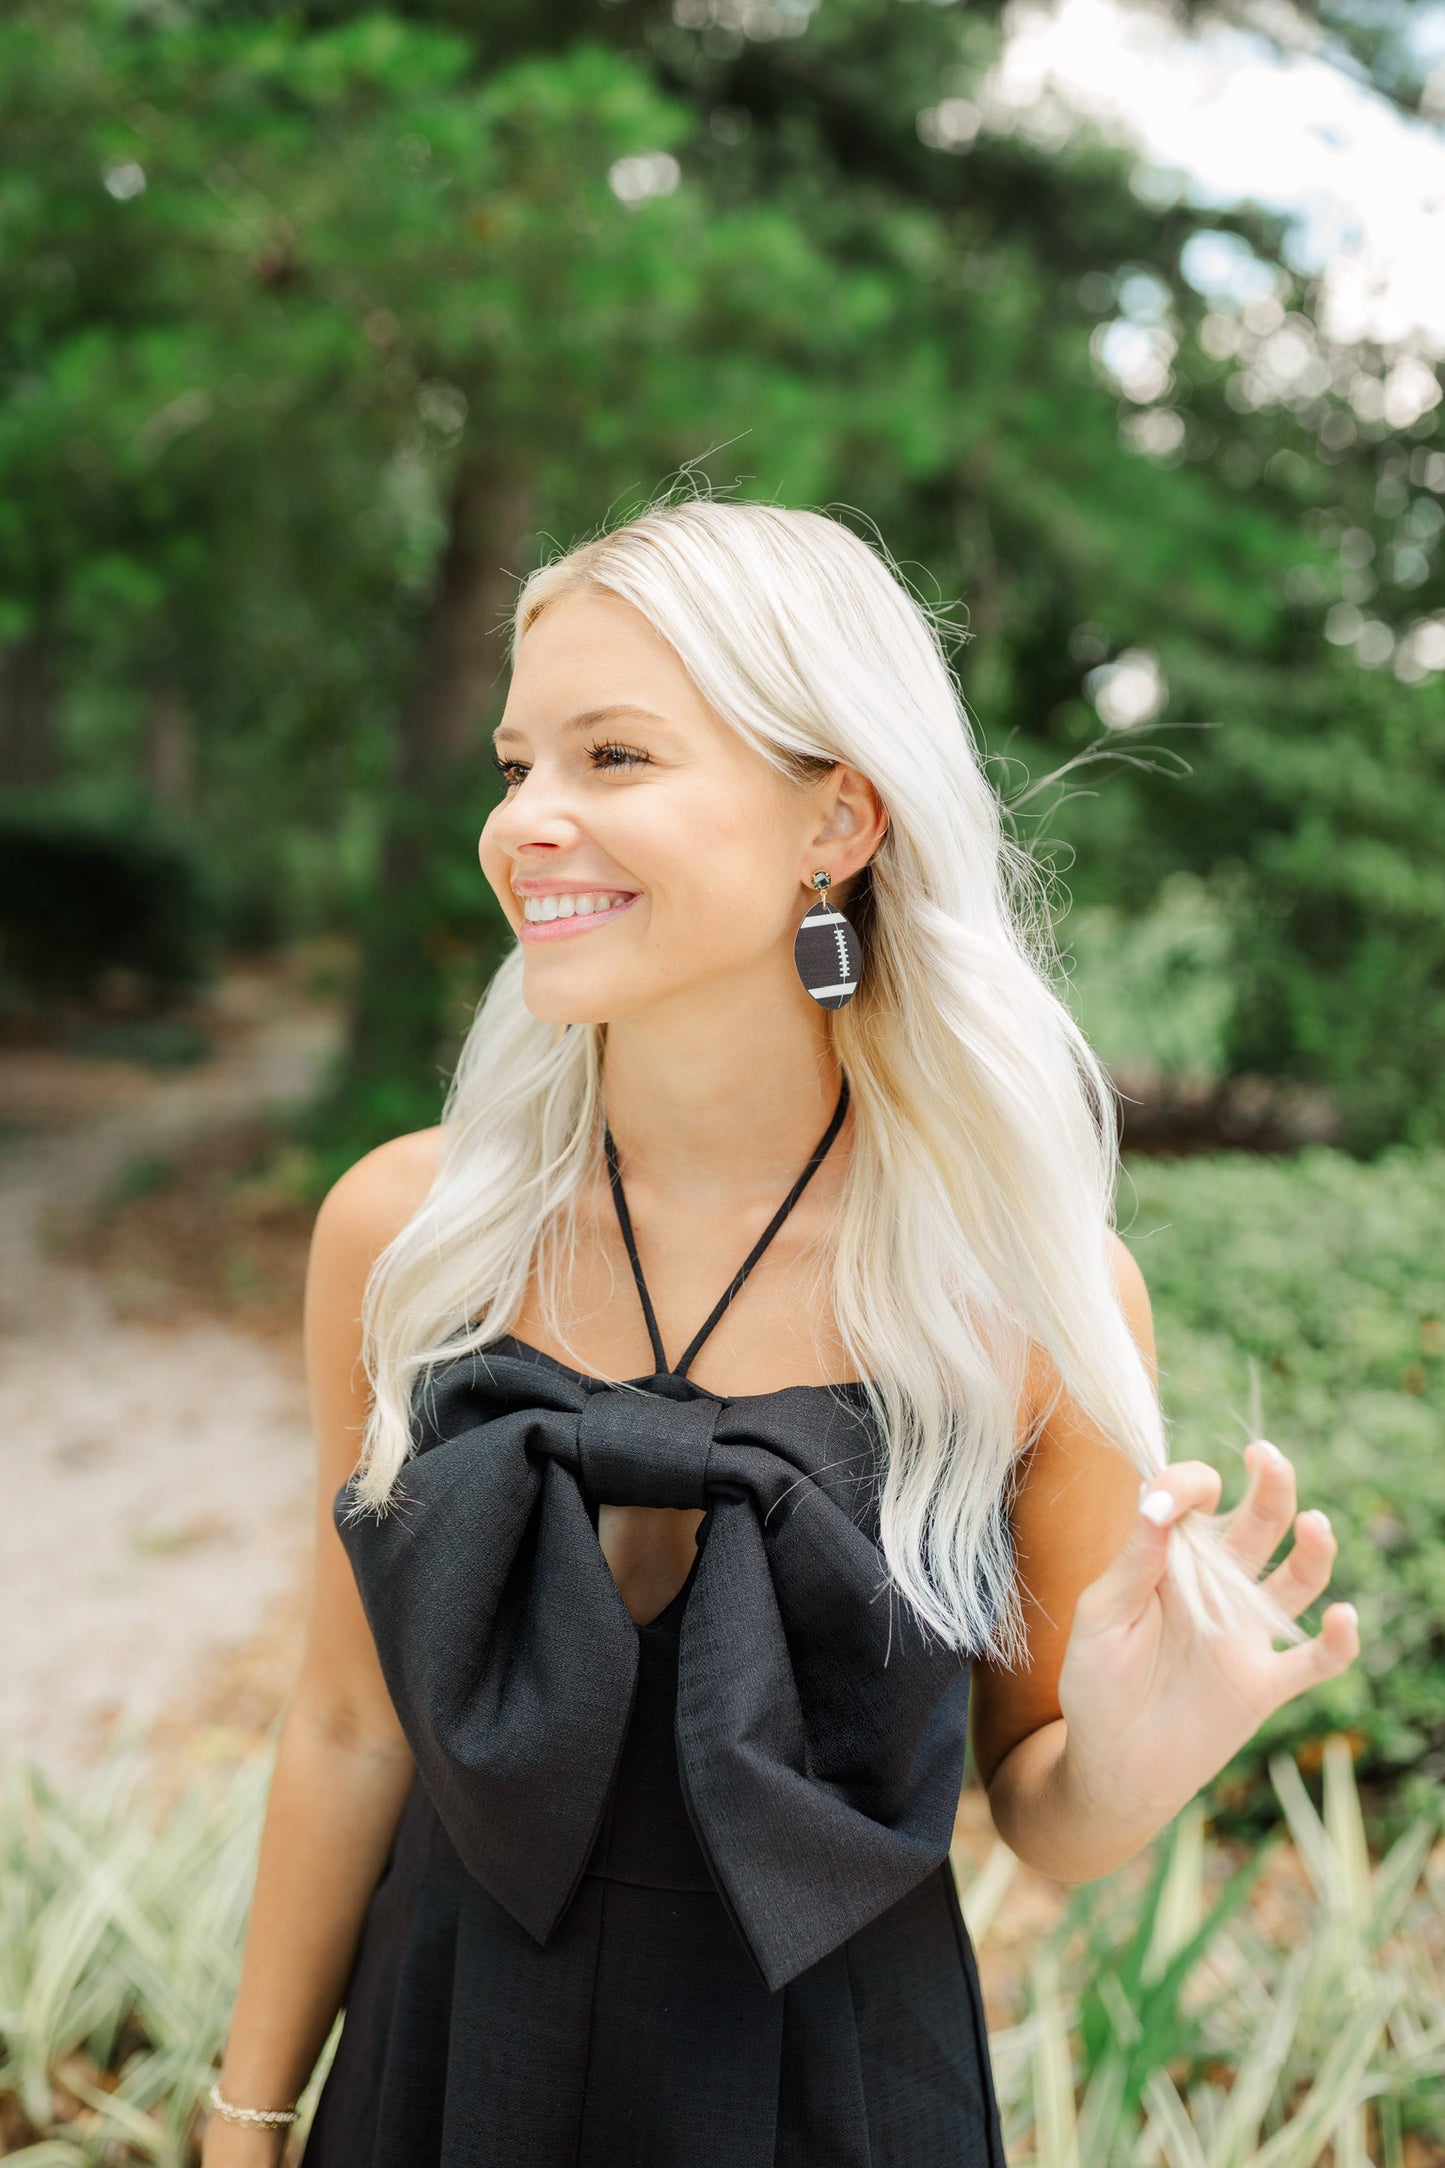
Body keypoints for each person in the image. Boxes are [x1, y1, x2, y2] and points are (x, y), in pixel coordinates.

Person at [202, 494, 1359, 2168]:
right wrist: (246, 2120)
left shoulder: (1021, 1291)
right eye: (516, 763)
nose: (527, 819)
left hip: (833, 2101)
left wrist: (1132, 1757)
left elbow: (1041, 1810)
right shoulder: (408, 1233)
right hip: (444, 2072)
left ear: (838, 819)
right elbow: (345, 1725)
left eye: (613, 758)